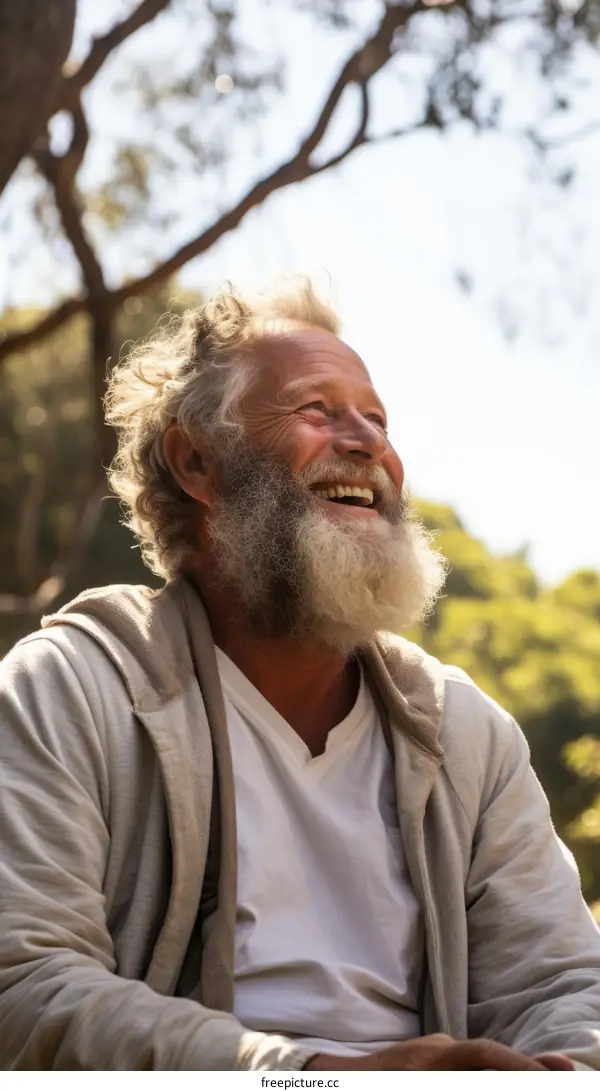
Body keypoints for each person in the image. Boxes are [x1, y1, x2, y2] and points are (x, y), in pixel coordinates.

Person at [1, 276, 599, 1073]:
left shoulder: (465, 733)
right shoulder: (73, 686)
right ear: (196, 462)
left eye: (377, 419)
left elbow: (563, 986)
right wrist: (313, 1077)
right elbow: (25, 986)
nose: (367, 444)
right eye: (318, 410)